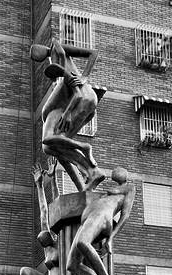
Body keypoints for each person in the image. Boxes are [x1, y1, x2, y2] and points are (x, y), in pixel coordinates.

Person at [30, 39, 105, 191]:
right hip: (78, 102)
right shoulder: (58, 64)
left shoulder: (62, 63)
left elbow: (77, 92)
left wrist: (84, 77)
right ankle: (85, 180)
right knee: (52, 148)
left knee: (49, 143)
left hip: (81, 101)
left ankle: (85, 150)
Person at [66, 167, 135, 275]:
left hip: (101, 216)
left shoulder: (129, 188)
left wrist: (110, 239)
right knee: (72, 265)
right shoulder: (106, 194)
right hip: (90, 219)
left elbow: (125, 216)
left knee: (82, 243)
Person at [20, 163, 61, 275]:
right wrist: (39, 185)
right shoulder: (48, 249)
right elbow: (43, 211)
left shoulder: (60, 242)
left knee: (25, 271)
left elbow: (58, 208)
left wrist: (53, 178)